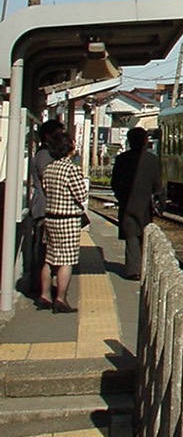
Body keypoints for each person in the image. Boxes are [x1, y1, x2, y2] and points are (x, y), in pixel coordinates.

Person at [39, 130, 89, 313]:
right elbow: (81, 194)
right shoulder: (71, 169)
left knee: (49, 259)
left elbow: (45, 190)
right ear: (68, 147)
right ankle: (60, 299)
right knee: (66, 260)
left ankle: (44, 295)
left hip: (50, 218)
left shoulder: (49, 168)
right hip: (67, 219)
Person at [111, 127, 162, 280]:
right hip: (145, 203)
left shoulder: (122, 159)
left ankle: (133, 269)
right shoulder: (152, 160)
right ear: (145, 141)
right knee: (143, 234)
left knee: (131, 235)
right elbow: (157, 185)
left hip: (127, 202)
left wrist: (121, 196)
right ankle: (143, 268)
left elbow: (115, 182)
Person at [27, 120, 64, 295]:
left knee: (48, 252)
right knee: (44, 253)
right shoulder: (44, 156)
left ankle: (43, 288)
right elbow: (49, 179)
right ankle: (41, 289)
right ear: (48, 136)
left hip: (48, 208)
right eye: (58, 134)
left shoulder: (47, 154)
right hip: (44, 209)